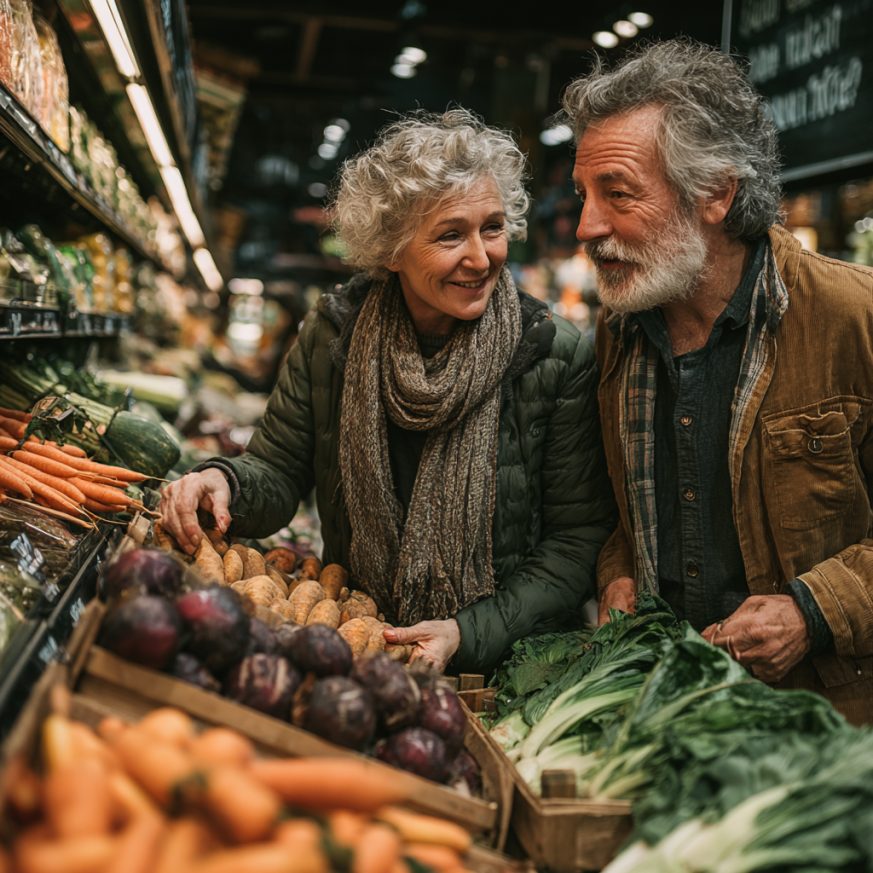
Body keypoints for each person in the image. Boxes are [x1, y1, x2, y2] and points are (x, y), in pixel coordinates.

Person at [159, 110, 615, 674]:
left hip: (510, 667)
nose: (481, 256)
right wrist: (221, 480)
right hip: (360, 643)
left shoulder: (553, 353)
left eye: (492, 227)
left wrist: (466, 634)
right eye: (451, 234)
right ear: (392, 250)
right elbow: (277, 472)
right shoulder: (333, 335)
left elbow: (578, 539)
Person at [563, 40, 873, 726]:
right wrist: (616, 570)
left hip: (823, 731)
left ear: (715, 193)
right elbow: (622, 509)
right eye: (583, 195)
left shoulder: (853, 318)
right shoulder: (619, 335)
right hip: (669, 717)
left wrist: (812, 609)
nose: (586, 225)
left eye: (616, 193)